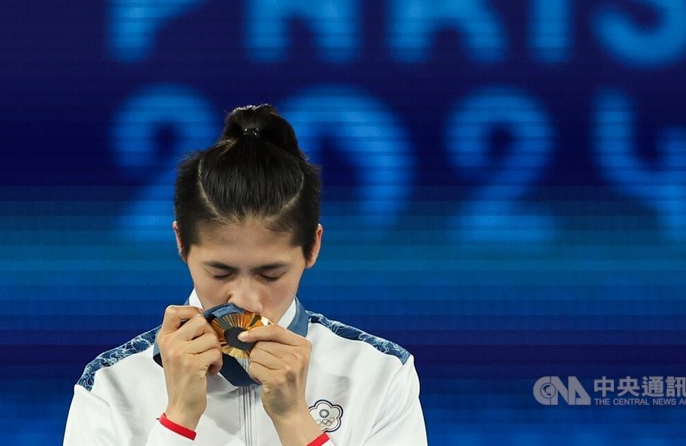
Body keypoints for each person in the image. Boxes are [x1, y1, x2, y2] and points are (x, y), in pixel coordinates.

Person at [64, 104, 428, 445]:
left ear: (313, 247)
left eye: (270, 274)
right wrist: (178, 421)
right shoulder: (112, 385)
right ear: (181, 243)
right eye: (220, 272)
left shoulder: (379, 373)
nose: (244, 299)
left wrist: (296, 422)